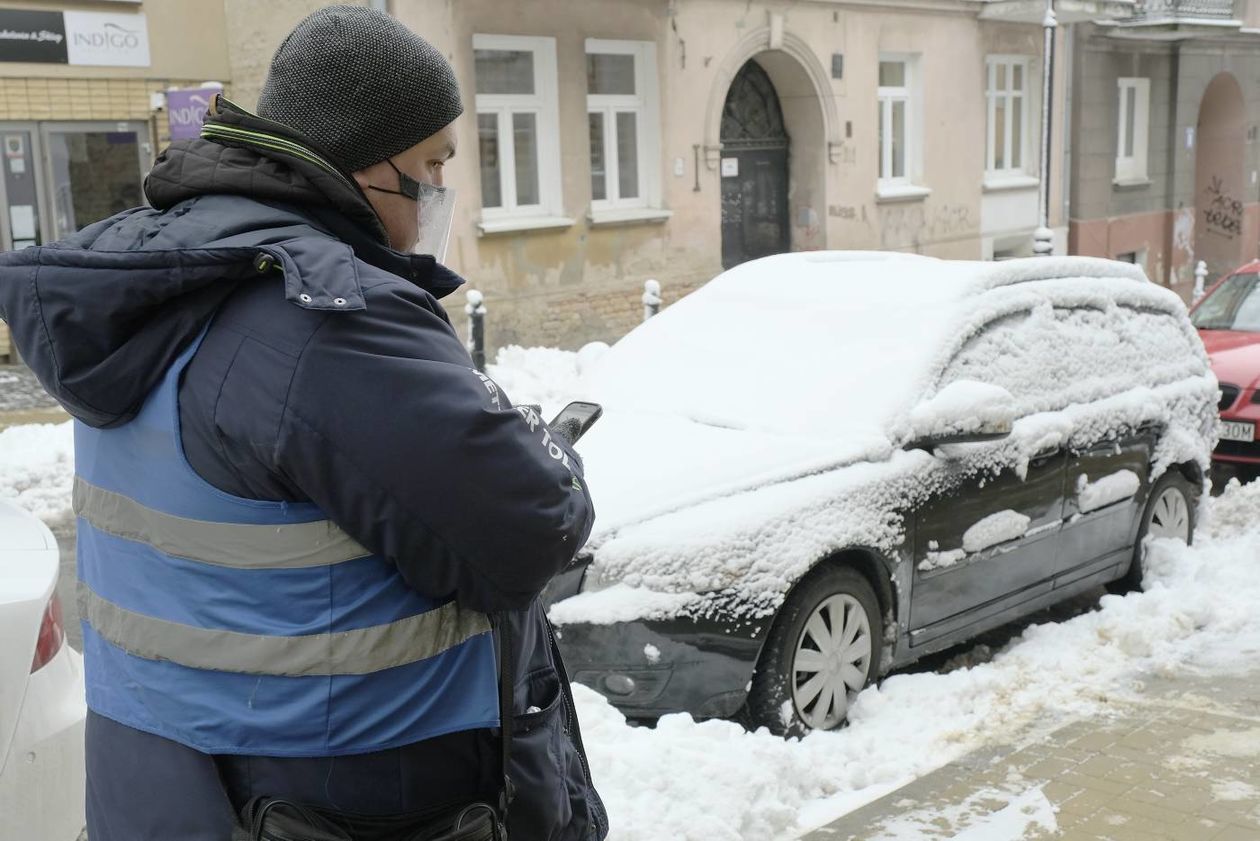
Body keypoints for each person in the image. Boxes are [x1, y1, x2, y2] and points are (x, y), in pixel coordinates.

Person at [0, 6, 606, 840]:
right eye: (432, 164)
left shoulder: (164, 286)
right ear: (363, 165)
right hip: (331, 804)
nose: (440, 193)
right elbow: (532, 521)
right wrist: (548, 456)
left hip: (160, 789)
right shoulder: (328, 320)